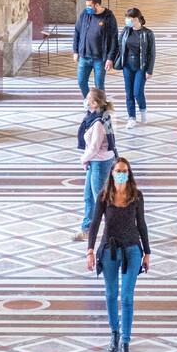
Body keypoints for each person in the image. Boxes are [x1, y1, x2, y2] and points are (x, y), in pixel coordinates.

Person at [86, 157, 150, 352]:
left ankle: (125, 342)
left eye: (125, 171)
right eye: (118, 170)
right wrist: (89, 251)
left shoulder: (136, 196)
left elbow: (142, 224)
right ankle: (114, 332)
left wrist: (147, 252)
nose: (121, 173)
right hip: (109, 250)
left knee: (127, 297)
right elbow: (95, 224)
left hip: (132, 249)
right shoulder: (104, 197)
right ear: (112, 173)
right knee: (112, 293)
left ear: (129, 174)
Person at [74, 89, 117, 241]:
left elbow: (94, 147)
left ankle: (114, 230)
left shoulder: (98, 122)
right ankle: (87, 229)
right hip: (95, 161)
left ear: (94, 103)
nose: (85, 100)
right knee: (89, 197)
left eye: (88, 98)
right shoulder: (95, 117)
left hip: (100, 162)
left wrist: (83, 159)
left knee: (100, 199)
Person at [115, 7, 155, 128]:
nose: (128, 21)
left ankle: (143, 111)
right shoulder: (126, 31)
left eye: (130, 19)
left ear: (137, 19)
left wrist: (149, 70)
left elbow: (151, 53)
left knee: (137, 92)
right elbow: (119, 46)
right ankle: (131, 117)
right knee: (129, 92)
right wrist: (111, 60)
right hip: (127, 65)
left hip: (141, 66)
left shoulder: (148, 33)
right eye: (127, 19)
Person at [72, 0, 118, 99]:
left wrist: (110, 58)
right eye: (87, 5)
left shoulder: (108, 17)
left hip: (100, 59)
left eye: (89, 6)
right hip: (84, 56)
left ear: (97, 5)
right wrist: (75, 51)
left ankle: (101, 108)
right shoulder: (85, 14)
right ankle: (89, 103)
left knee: (99, 86)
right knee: (81, 82)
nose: (87, 8)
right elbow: (77, 32)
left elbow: (113, 39)